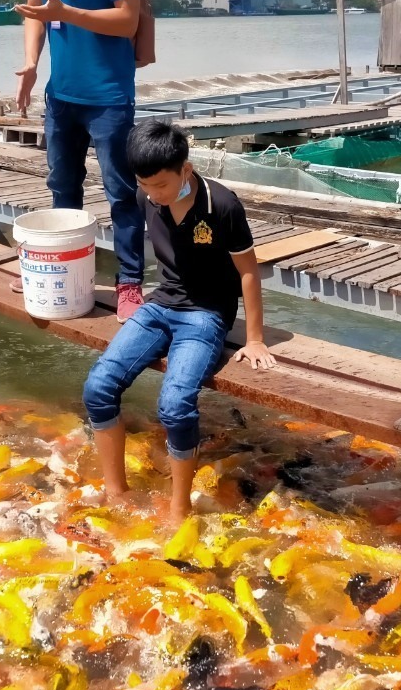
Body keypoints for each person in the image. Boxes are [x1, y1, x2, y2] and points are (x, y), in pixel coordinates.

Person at [81, 120, 276, 521]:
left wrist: (254, 338)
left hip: (205, 315)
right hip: (159, 306)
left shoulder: (222, 205)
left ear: (186, 169)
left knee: (174, 406)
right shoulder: (146, 196)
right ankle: (116, 493)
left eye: (161, 185)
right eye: (145, 185)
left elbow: (248, 272)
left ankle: (179, 508)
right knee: (98, 387)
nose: (153, 194)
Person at [13, 0, 146, 322]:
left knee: (121, 193)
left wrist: (67, 12)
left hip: (108, 95)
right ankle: (66, 267)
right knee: (61, 186)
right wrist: (31, 63)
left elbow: (127, 20)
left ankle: (130, 282)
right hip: (61, 94)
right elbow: (35, 11)